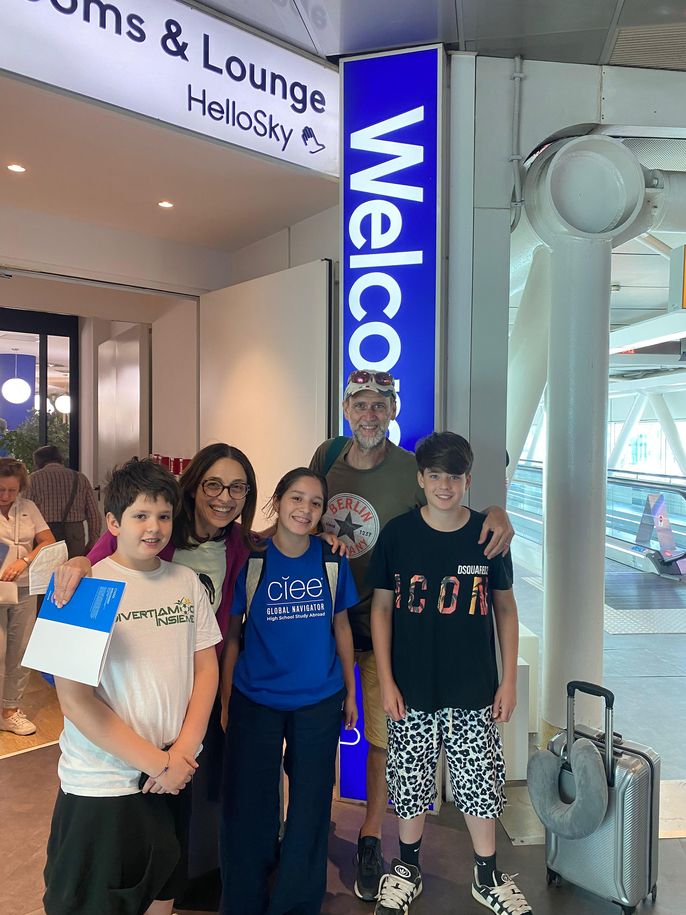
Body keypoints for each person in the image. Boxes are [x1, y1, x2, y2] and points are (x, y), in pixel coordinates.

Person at [309, 371, 514, 901]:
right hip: (327, 615)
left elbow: (456, 513)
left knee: (383, 737)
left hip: (392, 632)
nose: (370, 414)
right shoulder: (325, 459)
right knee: (314, 731)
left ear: (393, 410)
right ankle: (307, 833)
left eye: (380, 404)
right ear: (346, 409)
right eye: (360, 404)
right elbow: (300, 506)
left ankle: (373, 840)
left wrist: (498, 510)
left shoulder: (410, 468)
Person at [52, 442, 258, 906]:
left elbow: (205, 667)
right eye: (141, 516)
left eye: (163, 517)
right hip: (104, 781)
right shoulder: (84, 589)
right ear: (113, 523)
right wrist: (158, 763)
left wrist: (183, 750)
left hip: (173, 772)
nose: (154, 527)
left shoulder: (184, 581)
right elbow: (75, 701)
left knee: (164, 890)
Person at [368, 432, 531, 915]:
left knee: (480, 781)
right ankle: (408, 869)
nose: (444, 485)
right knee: (410, 780)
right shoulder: (397, 534)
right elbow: (381, 608)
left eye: (454, 476)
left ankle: (487, 876)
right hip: (412, 687)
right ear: (421, 479)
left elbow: (505, 610)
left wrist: (509, 680)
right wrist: (387, 680)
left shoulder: (488, 534)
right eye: (435, 475)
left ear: (468, 480)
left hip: (475, 687)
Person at [219, 467, 358, 915]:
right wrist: (226, 700)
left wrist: (350, 694)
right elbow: (234, 634)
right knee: (252, 803)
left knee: (311, 803)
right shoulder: (252, 558)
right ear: (278, 501)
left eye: (315, 503)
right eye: (297, 499)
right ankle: (245, 898)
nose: (305, 509)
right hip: (255, 698)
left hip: (318, 698)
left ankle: (296, 901)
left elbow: (341, 626)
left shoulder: (332, 559)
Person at [0, 457, 56, 736]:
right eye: (0, 490)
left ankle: (10, 710)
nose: (6, 496)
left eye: (12, 490)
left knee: (20, 649)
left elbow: (48, 540)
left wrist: (25, 561)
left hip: (24, 587)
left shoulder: (28, 508)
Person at [28, 445, 102, 557]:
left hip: (43, 533)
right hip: (74, 533)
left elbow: (26, 512)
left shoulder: (32, 479)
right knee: (73, 570)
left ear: (38, 462)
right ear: (60, 458)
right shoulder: (80, 478)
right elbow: (94, 514)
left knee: (44, 571)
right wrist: (93, 541)